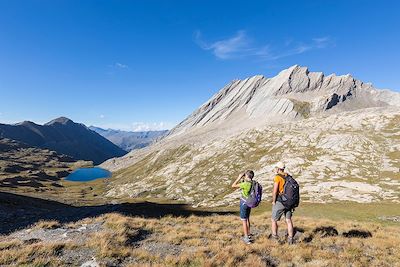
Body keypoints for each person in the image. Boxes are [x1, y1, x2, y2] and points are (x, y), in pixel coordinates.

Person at [271, 162, 294, 244]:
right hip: (289, 202)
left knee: (274, 220)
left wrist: (273, 201)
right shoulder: (288, 176)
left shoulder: (277, 177)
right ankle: (290, 239)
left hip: (281, 201)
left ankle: (274, 238)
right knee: (288, 220)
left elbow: (275, 191)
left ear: (278, 169)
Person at [232, 170, 254, 244]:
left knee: (244, 220)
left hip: (244, 203)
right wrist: (243, 179)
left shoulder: (245, 184)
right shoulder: (252, 183)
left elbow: (233, 185)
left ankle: (246, 238)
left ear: (247, 176)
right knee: (247, 218)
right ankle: (248, 234)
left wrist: (238, 178)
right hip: (249, 203)